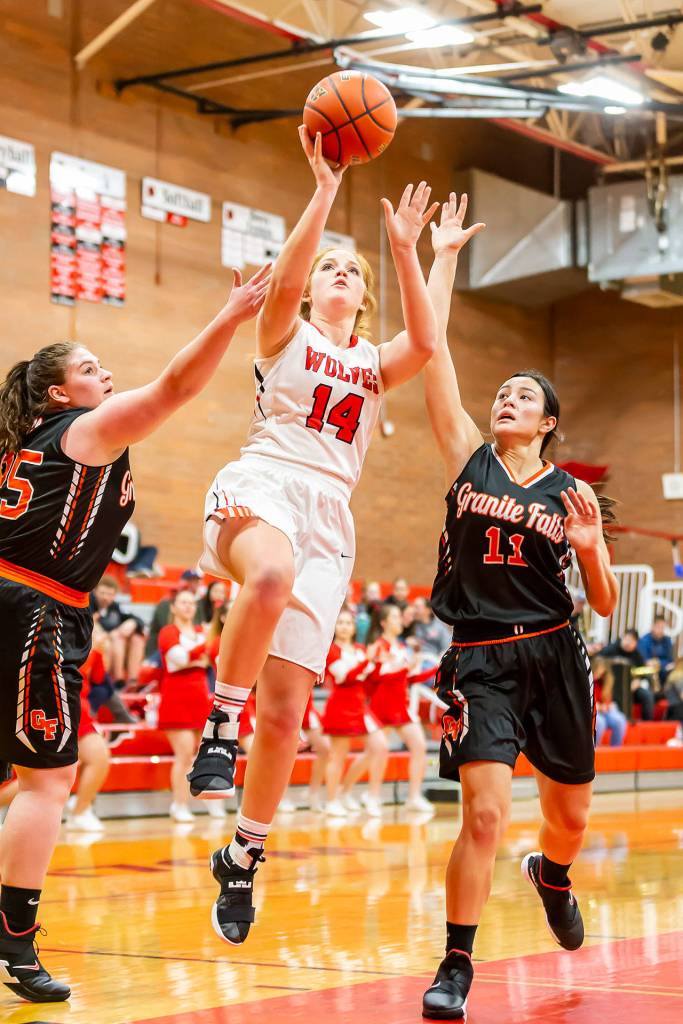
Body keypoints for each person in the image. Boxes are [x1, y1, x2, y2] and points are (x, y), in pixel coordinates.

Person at [185, 126, 439, 947]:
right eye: (328, 265)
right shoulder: (284, 334)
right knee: (264, 579)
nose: (333, 272)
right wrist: (325, 188)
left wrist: (406, 250)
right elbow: (286, 279)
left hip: (333, 511)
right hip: (264, 478)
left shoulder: (371, 358)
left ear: (362, 297)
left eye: (347, 269)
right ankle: (219, 720)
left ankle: (243, 857)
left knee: (289, 711)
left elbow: (429, 343)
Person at [0, 262, 270, 1001]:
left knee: (36, 778)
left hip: (20, 598)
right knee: (47, 781)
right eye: (90, 368)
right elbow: (178, 388)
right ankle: (15, 942)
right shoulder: (86, 430)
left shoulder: (22, 445)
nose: (106, 372)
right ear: (61, 393)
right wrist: (230, 317)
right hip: (35, 610)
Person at [418, 193, 618, 1021]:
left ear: (549, 423)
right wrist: (440, 257)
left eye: (522, 396)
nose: (505, 400)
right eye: (500, 392)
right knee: (485, 812)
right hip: (479, 659)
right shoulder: (467, 460)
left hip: (556, 652)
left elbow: (602, 603)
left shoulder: (573, 496)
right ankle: (457, 961)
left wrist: (585, 549)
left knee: (566, 816)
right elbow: (431, 355)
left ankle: (555, 874)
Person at [365, 604, 435, 813]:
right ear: (384, 622)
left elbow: (408, 678)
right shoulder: (378, 646)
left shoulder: (401, 647)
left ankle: (413, 797)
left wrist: (435, 670)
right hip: (381, 706)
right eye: (394, 617)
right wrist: (404, 667)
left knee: (419, 745)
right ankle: (372, 796)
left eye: (399, 617)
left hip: (400, 707)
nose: (399, 620)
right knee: (373, 753)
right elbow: (378, 677)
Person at [322, 607, 388, 817]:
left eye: (348, 623)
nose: (344, 627)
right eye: (340, 623)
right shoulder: (331, 651)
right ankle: (331, 801)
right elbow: (344, 677)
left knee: (379, 747)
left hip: (360, 704)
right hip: (341, 704)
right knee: (338, 756)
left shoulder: (360, 649)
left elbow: (368, 678)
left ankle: (358, 793)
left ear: (353, 628)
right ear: (334, 627)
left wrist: (379, 663)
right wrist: (368, 661)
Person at [157, 588, 215, 823]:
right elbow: (178, 659)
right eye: (183, 602)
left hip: (200, 695)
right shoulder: (168, 631)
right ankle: (178, 804)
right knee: (183, 754)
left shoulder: (202, 631)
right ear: (173, 607)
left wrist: (197, 653)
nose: (188, 606)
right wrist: (203, 649)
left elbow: (208, 659)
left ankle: (196, 803)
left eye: (191, 602)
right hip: (176, 695)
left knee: (198, 753)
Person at [144, 569, 203, 658]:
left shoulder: (197, 605)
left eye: (196, 582)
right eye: (190, 581)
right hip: (159, 651)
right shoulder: (166, 603)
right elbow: (167, 626)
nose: (193, 585)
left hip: (186, 647)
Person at [599, 630, 656, 720]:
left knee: (647, 696)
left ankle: (646, 724)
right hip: (612, 688)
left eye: (632, 641)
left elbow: (643, 673)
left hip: (631, 687)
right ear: (623, 637)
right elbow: (598, 666)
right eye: (627, 639)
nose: (628, 643)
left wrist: (638, 682)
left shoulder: (637, 655)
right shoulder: (610, 650)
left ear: (636, 643)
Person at [592, 656, 628, 747]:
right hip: (592, 710)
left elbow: (608, 699)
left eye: (602, 670)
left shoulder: (607, 680)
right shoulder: (587, 680)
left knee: (620, 720)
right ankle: (594, 750)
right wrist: (597, 706)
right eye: (597, 669)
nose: (599, 672)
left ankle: (615, 750)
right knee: (600, 722)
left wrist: (606, 705)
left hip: (604, 710)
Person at [412, 596, 451, 668]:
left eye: (417, 607)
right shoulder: (411, 624)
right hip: (414, 658)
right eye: (413, 607)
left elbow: (446, 647)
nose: (414, 610)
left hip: (432, 660)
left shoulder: (439, 626)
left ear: (428, 610)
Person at [638, 616, 674, 686]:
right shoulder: (644, 640)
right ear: (652, 626)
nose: (661, 630)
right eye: (658, 627)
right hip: (648, 672)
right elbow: (644, 660)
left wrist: (658, 662)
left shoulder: (667, 640)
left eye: (663, 628)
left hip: (664, 671)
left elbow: (670, 660)